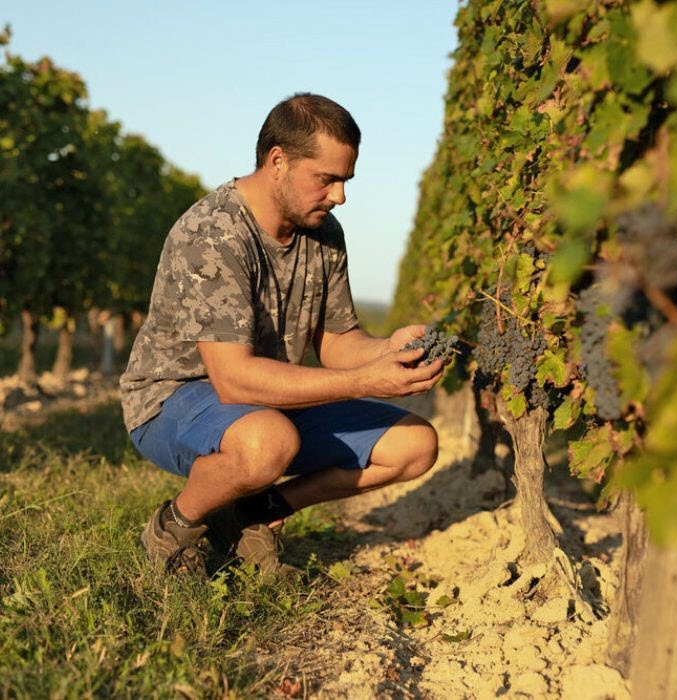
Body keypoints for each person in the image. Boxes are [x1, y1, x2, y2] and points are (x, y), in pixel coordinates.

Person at [120, 93, 444, 576]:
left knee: (414, 444)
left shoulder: (323, 233)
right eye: (327, 179)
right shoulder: (213, 234)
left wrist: (389, 350)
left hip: (266, 403)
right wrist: (366, 381)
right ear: (278, 161)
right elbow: (233, 382)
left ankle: (255, 514)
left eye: (345, 180)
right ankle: (177, 525)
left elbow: (337, 343)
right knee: (267, 442)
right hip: (173, 400)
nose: (339, 196)